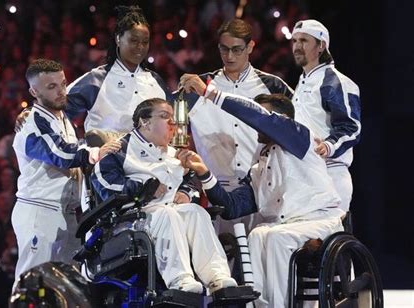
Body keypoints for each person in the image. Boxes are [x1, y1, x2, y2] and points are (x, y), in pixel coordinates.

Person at [177, 90, 344, 307]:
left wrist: (210, 93)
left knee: (276, 237)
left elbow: (259, 117)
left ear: (281, 121)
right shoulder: (259, 167)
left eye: (264, 118)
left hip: (319, 221)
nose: (255, 124)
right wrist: (203, 172)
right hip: (286, 227)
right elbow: (231, 207)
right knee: (257, 235)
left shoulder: (300, 138)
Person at [91, 98, 237, 294]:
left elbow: (191, 184)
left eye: (173, 118)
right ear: (145, 122)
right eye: (164, 117)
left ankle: (217, 278)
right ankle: (180, 280)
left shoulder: (175, 154)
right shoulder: (120, 149)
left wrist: (186, 193)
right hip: (130, 218)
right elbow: (104, 183)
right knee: (167, 214)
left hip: (169, 213)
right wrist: (146, 188)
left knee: (195, 212)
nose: (173, 123)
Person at [179, 18, 293, 233]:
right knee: (224, 263)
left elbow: (296, 132)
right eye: (224, 49)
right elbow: (163, 121)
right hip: (216, 193)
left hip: (265, 190)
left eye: (237, 50)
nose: (230, 56)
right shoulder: (196, 87)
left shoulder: (274, 86)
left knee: (265, 260)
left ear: (250, 47)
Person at [11, 59, 112, 283]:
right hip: (39, 209)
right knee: (32, 282)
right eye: (51, 87)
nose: (61, 91)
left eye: (63, 84)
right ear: (33, 91)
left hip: (66, 212)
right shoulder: (32, 125)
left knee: (69, 284)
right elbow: (63, 155)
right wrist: (96, 152)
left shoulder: (61, 117)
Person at [66, 5, 171, 134]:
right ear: (118, 39)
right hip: (107, 153)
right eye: (134, 40)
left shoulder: (155, 80)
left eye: (145, 42)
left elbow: (173, 120)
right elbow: (56, 112)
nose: (140, 47)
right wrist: (76, 146)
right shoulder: (96, 80)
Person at [291, 19, 361, 211]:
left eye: (304, 41)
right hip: (305, 175)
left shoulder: (336, 82)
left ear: (321, 45)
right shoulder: (302, 82)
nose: (297, 46)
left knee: (330, 239)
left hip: (330, 175)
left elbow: (352, 128)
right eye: (294, 41)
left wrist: (329, 146)